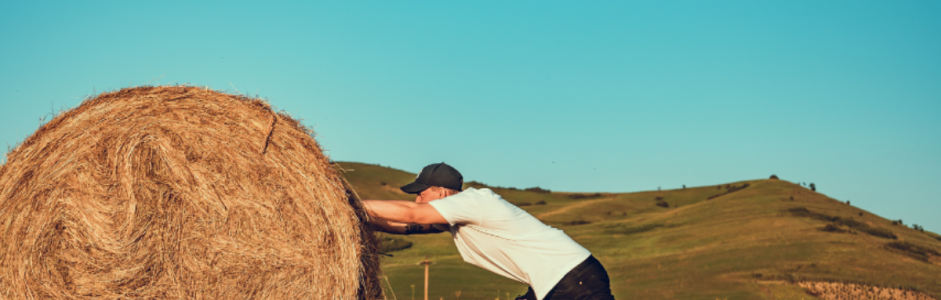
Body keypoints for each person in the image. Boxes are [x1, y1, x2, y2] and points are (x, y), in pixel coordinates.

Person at [363, 162, 614, 300]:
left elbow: (410, 214)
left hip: (573, 278)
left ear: (441, 192)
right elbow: (407, 227)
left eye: (421, 194)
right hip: (554, 282)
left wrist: (346, 204)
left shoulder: (473, 202)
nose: (418, 200)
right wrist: (355, 219)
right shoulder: (459, 217)